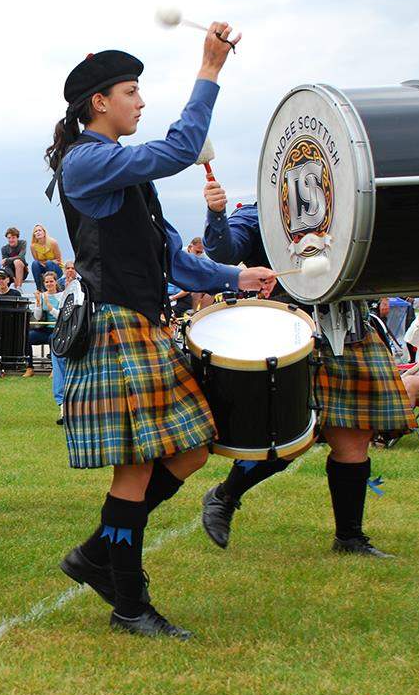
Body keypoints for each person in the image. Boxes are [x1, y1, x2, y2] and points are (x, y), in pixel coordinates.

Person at [46, 32, 277, 638]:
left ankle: (97, 554)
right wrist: (208, 69)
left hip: (145, 328)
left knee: (193, 449)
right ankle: (128, 602)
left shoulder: (123, 173)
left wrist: (235, 274)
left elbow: (170, 254)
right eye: (131, 92)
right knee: (136, 471)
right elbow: (181, 148)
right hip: (118, 329)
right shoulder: (88, 162)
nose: (140, 101)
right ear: (99, 103)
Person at [199, 172, 416, 558]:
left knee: (354, 438)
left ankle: (349, 537)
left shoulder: (349, 205)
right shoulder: (259, 214)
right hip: (292, 335)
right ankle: (224, 496)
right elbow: (225, 251)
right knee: (286, 437)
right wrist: (216, 214)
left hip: (350, 328)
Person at [25, 270, 66, 420]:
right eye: (47, 282)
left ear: (56, 282)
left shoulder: (62, 297)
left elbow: (62, 317)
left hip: (58, 330)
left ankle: (54, 369)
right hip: (44, 329)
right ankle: (30, 367)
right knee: (28, 338)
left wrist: (50, 307)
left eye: (51, 281)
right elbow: (36, 317)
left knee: (52, 339)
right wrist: (38, 303)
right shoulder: (42, 296)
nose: (49, 284)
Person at [29, 223, 64, 291]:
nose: (38, 232)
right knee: (34, 263)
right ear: (34, 235)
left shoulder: (53, 242)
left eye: (39, 230)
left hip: (56, 269)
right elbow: (38, 262)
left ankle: (53, 288)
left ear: (44, 232)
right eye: (35, 231)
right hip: (44, 268)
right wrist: (48, 261)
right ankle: (39, 289)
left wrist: (48, 262)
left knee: (49, 263)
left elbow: (58, 260)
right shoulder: (33, 246)